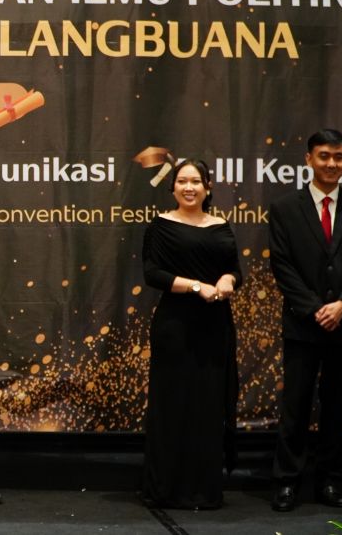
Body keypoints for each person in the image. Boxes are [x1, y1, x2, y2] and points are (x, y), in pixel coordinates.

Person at [141, 159, 241, 509]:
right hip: (175, 327)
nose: (189, 187)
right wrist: (197, 286)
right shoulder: (161, 225)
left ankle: (205, 490)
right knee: (173, 405)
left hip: (215, 326)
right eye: (182, 181)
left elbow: (234, 270)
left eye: (196, 181)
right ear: (172, 188)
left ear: (207, 187)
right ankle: (166, 490)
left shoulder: (221, 225)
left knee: (208, 407)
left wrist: (227, 280)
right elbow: (152, 273)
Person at [269, 129, 342, 512]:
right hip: (303, 325)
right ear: (308, 159)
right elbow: (281, 265)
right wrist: (313, 308)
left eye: (339, 157)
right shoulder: (285, 208)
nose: (331, 164)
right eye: (324, 156)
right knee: (296, 406)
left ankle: (331, 480)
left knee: (337, 408)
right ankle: (287, 481)